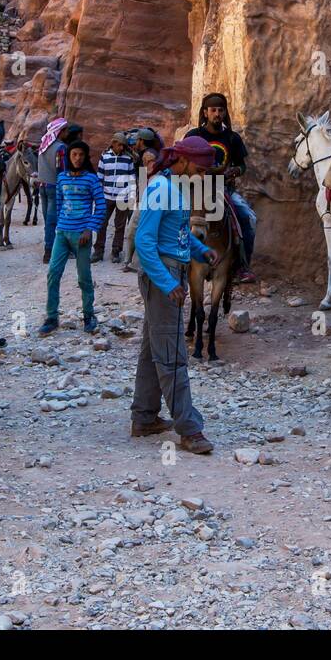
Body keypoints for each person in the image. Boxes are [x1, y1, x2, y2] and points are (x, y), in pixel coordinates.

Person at [132, 135, 220, 455]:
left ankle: (144, 417)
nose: (200, 176)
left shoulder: (175, 188)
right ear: (181, 162)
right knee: (172, 354)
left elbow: (177, 234)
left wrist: (200, 251)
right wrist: (168, 284)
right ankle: (189, 428)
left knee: (152, 348)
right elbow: (144, 242)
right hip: (164, 276)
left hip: (172, 271)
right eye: (198, 169)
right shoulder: (160, 189)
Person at [186, 93, 257, 282]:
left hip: (223, 190)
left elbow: (242, 165)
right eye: (213, 110)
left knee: (248, 218)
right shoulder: (194, 135)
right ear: (205, 112)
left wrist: (235, 170)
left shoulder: (232, 138)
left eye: (221, 110)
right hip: (196, 189)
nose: (217, 114)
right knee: (178, 216)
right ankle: (178, 262)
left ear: (225, 113)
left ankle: (242, 266)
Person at [39, 140, 104, 336]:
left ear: (85, 157)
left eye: (81, 155)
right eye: (74, 154)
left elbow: (100, 207)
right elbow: (59, 205)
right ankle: (51, 317)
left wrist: (89, 229)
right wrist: (60, 226)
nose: (77, 158)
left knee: (84, 277)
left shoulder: (92, 179)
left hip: (82, 236)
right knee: (53, 274)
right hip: (62, 234)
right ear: (69, 156)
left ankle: (88, 315)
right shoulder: (62, 179)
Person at [122, 127, 163, 272]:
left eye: (137, 139)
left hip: (147, 199)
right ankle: (132, 262)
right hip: (148, 197)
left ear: (142, 141)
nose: (135, 142)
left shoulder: (149, 156)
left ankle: (133, 263)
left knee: (133, 230)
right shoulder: (146, 154)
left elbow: (149, 177)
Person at [94, 132, 135, 263]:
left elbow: (132, 179)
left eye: (123, 146)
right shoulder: (104, 157)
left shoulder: (128, 159)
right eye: (119, 145)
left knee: (120, 225)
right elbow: (99, 177)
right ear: (113, 143)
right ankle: (98, 251)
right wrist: (98, 196)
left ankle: (116, 251)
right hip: (106, 197)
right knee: (101, 223)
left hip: (122, 198)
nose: (121, 148)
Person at [36, 117, 67, 263]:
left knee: (48, 219)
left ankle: (50, 246)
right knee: (52, 221)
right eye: (65, 130)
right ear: (60, 131)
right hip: (54, 187)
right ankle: (49, 251)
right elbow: (61, 169)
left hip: (42, 185)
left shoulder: (43, 144)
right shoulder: (60, 148)